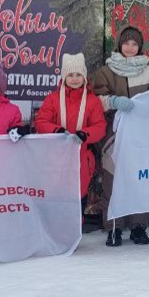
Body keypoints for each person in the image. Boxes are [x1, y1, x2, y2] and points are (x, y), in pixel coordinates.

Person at [92, 24, 149, 246]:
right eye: (126, 43)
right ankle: (114, 226)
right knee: (112, 181)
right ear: (119, 45)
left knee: (140, 180)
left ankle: (139, 226)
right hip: (113, 134)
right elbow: (95, 101)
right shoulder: (106, 71)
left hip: (140, 135)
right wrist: (112, 101)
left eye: (134, 44)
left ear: (140, 47)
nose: (130, 47)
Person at [34, 53, 107, 210]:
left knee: (79, 197)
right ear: (64, 77)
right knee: (55, 197)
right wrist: (57, 130)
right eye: (70, 75)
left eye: (78, 75)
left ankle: (77, 224)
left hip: (82, 159)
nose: (74, 79)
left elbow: (100, 127)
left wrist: (85, 134)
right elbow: (40, 122)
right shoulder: (52, 99)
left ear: (84, 77)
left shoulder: (92, 101)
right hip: (56, 158)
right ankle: (55, 223)